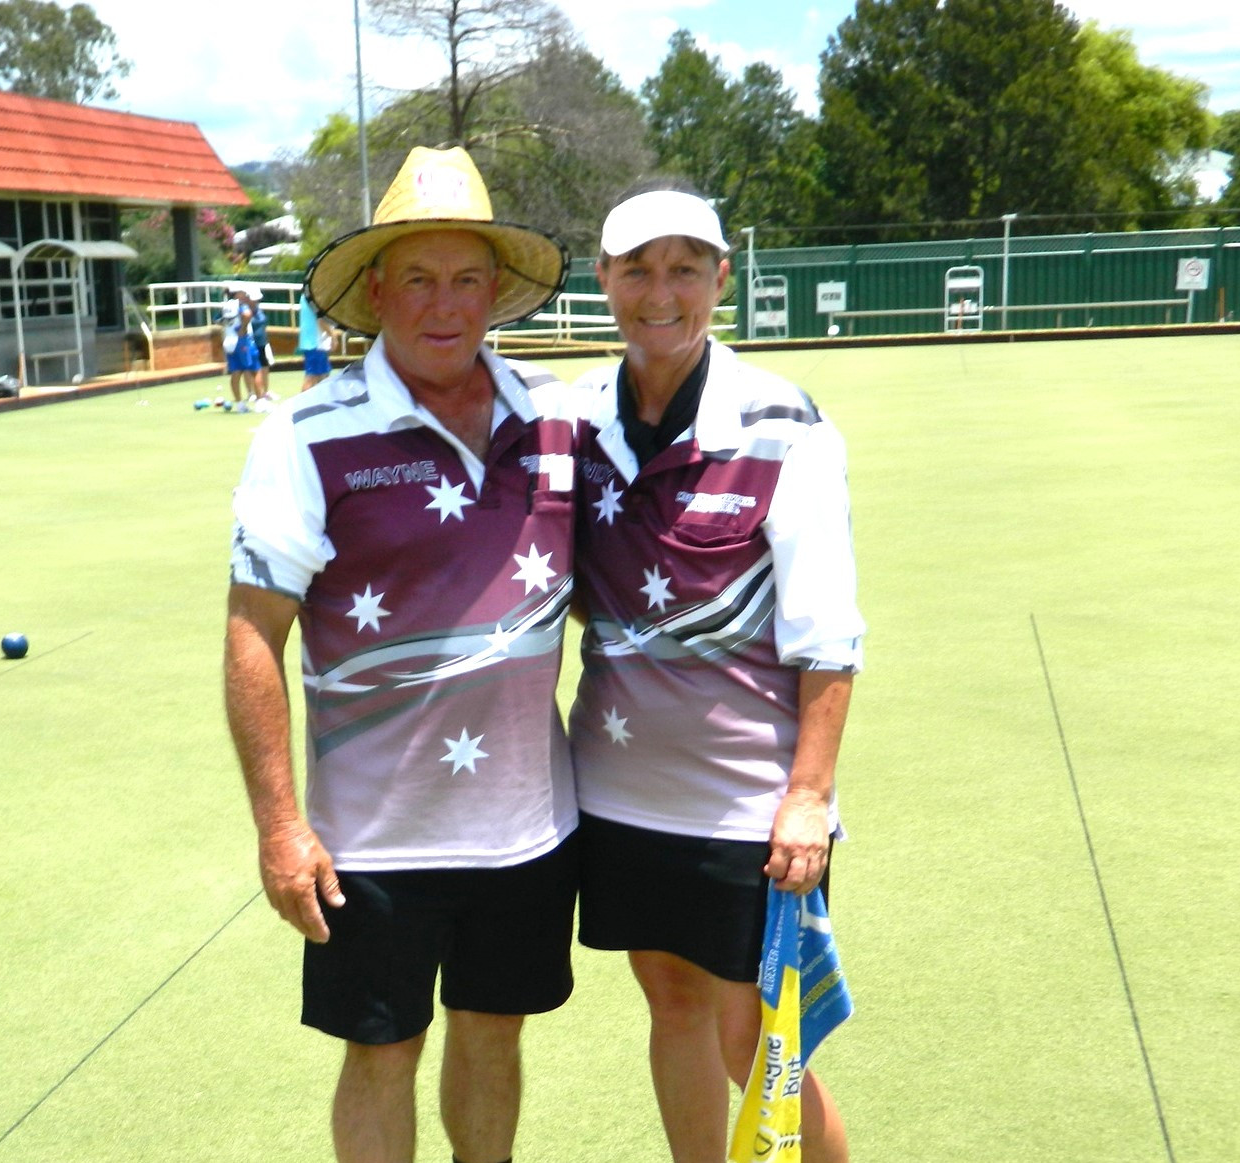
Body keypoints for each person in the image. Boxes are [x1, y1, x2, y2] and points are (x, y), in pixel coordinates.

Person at [225, 145, 577, 1163]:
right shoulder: (304, 434)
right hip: (369, 840)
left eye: (466, 278)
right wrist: (280, 826)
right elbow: (253, 634)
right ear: (374, 289)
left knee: (491, 1033)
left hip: (524, 825)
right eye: (416, 278)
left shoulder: (555, 420)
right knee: (382, 1052)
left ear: (495, 291)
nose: (443, 304)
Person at [566, 182, 864, 1163]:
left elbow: (827, 631)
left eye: (684, 269)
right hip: (615, 793)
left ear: (719, 278)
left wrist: (808, 796)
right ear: (602, 279)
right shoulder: (572, 423)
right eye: (637, 269)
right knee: (670, 999)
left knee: (757, 1039)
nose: (660, 293)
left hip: (748, 804)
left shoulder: (783, 424)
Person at [221, 282, 257, 412]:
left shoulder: (225, 306)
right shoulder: (240, 305)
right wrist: (243, 328)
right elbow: (247, 314)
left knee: (235, 372)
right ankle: (256, 398)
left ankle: (240, 404)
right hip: (240, 341)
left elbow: (218, 320)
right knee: (250, 369)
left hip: (228, 341)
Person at [297, 294, 335, 391]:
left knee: (323, 376)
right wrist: (333, 337)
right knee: (312, 378)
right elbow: (321, 320)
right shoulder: (316, 295)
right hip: (316, 344)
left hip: (314, 343)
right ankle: (303, 405)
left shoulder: (306, 295)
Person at [246, 284, 274, 408]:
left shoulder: (258, 309)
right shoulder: (245, 311)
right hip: (251, 343)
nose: (256, 301)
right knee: (250, 369)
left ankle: (265, 392)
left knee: (264, 366)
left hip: (262, 342)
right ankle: (252, 392)